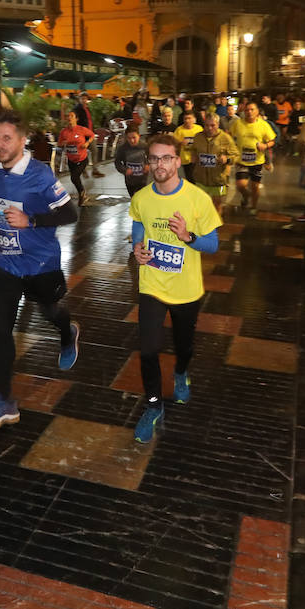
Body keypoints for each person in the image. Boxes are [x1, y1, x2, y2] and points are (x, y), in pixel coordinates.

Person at [0, 110, 81, 429]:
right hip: (7, 264)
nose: (0, 144)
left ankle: (68, 332)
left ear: (22, 141)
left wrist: (31, 220)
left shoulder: (40, 175)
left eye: (7, 138)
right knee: (0, 328)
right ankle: (4, 400)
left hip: (40, 263)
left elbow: (70, 214)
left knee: (50, 311)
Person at [129, 133, 223, 443]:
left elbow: (213, 245)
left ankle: (181, 372)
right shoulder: (142, 197)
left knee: (184, 346)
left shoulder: (197, 199)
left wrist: (188, 237)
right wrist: (137, 246)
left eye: (166, 158)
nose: (159, 164)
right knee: (148, 349)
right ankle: (153, 405)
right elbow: (138, 222)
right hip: (152, 284)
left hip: (186, 290)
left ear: (178, 161)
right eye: (154, 159)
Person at [230, 100, 277, 214]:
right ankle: (246, 196)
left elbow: (272, 141)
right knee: (241, 185)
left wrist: (265, 145)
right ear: (243, 111)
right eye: (247, 110)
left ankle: (254, 207)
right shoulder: (238, 123)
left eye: (252, 110)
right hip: (241, 160)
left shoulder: (263, 125)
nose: (249, 112)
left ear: (257, 112)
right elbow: (229, 136)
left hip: (257, 161)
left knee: (255, 187)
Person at [189, 112, 238, 217]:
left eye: (213, 125)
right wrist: (193, 156)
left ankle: (214, 229)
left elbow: (236, 155)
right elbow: (193, 150)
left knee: (217, 204)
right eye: (207, 125)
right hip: (200, 179)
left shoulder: (225, 138)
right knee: (201, 205)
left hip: (219, 179)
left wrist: (227, 159)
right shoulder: (198, 137)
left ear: (218, 124)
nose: (209, 128)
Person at [57, 109, 94, 206]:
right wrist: (63, 143)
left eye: (72, 116)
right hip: (71, 159)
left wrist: (87, 143)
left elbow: (92, 135)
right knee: (75, 178)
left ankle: (82, 193)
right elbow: (59, 144)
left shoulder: (81, 129)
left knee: (74, 177)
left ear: (76, 119)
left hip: (82, 158)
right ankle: (82, 194)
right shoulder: (64, 132)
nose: (69, 118)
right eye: (68, 116)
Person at [114, 121, 149, 196]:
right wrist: (124, 170)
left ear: (139, 136)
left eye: (134, 137)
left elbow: (153, 158)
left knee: (142, 199)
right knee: (133, 199)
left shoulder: (145, 146)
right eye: (129, 138)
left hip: (143, 180)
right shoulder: (123, 148)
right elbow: (117, 162)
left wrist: (148, 165)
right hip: (130, 181)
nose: (132, 140)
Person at [174, 110, 204, 182]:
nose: (187, 120)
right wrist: (180, 142)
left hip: (197, 157)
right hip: (185, 159)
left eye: (189, 118)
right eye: (185, 118)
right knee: (189, 178)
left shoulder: (199, 129)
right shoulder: (179, 130)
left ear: (194, 119)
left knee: (197, 177)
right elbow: (173, 142)